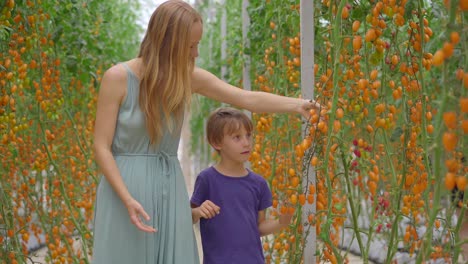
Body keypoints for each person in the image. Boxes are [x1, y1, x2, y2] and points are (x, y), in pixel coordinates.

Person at [91, 0, 318, 263]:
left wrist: (299, 105)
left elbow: (245, 98)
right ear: (168, 43)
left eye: (197, 45)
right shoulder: (116, 78)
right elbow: (101, 146)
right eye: (190, 46)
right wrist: (127, 198)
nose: (195, 53)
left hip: (169, 187)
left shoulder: (188, 78)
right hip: (124, 188)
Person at [190, 107, 293, 264]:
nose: (246, 143)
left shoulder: (259, 184)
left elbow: (259, 227)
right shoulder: (207, 179)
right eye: (237, 137)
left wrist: (282, 222)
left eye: (248, 136)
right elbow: (188, 217)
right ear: (216, 142)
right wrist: (198, 211)